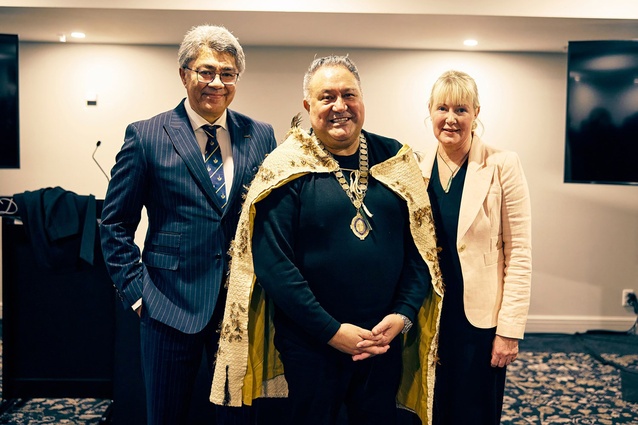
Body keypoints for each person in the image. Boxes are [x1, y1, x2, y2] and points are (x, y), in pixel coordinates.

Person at [210, 55, 443, 425]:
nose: (340, 107)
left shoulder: (396, 159)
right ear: (308, 106)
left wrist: (402, 314)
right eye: (326, 97)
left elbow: (423, 252)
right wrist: (331, 331)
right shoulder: (285, 166)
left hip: (382, 340)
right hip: (312, 343)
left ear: (362, 99)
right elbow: (274, 265)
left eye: (349, 95)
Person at [100, 25, 277, 425]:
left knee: (237, 418)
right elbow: (114, 224)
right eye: (206, 71)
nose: (217, 82)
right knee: (166, 415)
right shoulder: (147, 135)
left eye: (227, 73)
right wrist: (139, 295)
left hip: (238, 309)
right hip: (167, 306)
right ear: (184, 74)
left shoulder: (261, 135)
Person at [419, 70, 532, 425]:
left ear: (476, 113)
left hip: (479, 322)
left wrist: (509, 330)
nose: (450, 118)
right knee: (431, 408)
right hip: (430, 316)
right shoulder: (414, 168)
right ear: (430, 111)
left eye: (461, 109)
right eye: (442, 108)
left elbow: (520, 253)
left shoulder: (502, 165)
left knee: (474, 412)